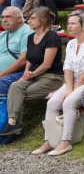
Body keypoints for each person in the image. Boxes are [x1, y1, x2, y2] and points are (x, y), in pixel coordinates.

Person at [32, 11, 84, 156]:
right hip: (74, 81)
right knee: (52, 103)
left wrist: (73, 90)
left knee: (68, 103)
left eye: (73, 23)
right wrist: (69, 88)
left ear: (83, 25)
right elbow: (68, 67)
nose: (69, 26)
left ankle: (65, 142)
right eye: (68, 23)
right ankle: (49, 140)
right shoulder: (71, 43)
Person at [0, 7, 63, 139]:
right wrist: (26, 73)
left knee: (19, 94)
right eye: (28, 18)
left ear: (44, 19)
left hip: (52, 77)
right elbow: (28, 58)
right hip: (35, 76)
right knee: (15, 86)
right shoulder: (31, 37)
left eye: (33, 18)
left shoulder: (52, 36)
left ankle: (15, 130)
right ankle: (14, 126)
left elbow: (47, 64)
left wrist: (31, 74)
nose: (29, 21)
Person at [0, 8, 34, 98]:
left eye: (8, 17)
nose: (4, 20)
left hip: (19, 73)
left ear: (19, 19)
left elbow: (24, 59)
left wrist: (0, 75)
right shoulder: (2, 35)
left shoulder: (27, 32)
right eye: (2, 17)